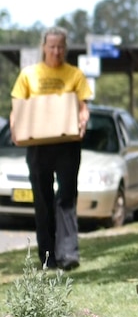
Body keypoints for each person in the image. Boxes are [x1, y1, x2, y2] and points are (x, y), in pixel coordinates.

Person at [9, 26, 92, 270]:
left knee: (66, 197)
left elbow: (83, 107)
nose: (56, 51)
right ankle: (48, 257)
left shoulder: (75, 74)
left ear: (65, 49)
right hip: (38, 146)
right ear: (44, 47)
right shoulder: (29, 74)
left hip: (67, 144)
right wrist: (15, 128)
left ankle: (68, 254)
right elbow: (18, 107)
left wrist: (83, 119)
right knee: (43, 200)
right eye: (52, 46)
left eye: (60, 47)